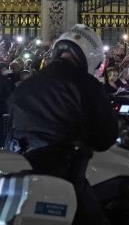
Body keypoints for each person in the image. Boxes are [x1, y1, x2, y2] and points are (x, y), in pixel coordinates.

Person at [8, 24, 118, 224]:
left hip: (24, 175)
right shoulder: (87, 85)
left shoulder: (26, 85)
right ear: (91, 55)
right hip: (65, 174)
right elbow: (105, 137)